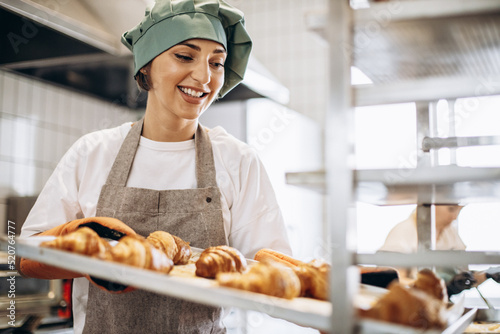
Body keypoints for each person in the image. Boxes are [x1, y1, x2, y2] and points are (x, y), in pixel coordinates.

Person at [18, 1, 291, 333]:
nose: (204, 77)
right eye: (184, 56)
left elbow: (275, 276)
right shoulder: (93, 152)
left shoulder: (238, 161)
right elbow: (27, 258)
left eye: (216, 62)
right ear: (146, 64)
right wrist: (98, 258)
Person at [378, 205, 500, 297]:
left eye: (459, 210)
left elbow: (464, 275)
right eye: (451, 209)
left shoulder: (450, 232)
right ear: (432, 205)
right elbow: (394, 284)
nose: (454, 217)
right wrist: (443, 287)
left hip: (443, 304)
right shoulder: (403, 232)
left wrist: (485, 275)